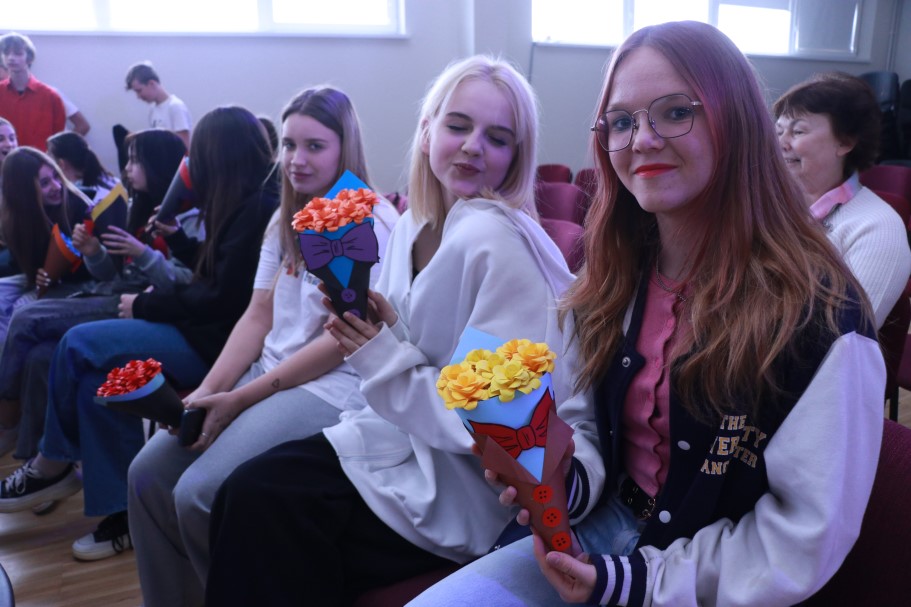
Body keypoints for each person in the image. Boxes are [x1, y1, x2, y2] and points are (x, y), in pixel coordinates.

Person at [407, 21, 885, 607]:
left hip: (712, 577)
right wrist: (560, 478)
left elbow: (800, 539)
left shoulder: (820, 314)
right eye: (622, 121)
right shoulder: (615, 274)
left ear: (736, 121)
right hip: (599, 534)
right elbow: (588, 423)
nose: (643, 140)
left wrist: (634, 582)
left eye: (676, 112)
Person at [204, 55, 600, 605]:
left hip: (463, 485)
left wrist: (381, 355)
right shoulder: (416, 224)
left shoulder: (495, 243)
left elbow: (497, 424)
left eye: (497, 138)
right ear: (428, 130)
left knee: (262, 505)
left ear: (516, 157)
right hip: (402, 443)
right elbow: (425, 350)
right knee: (244, 494)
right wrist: (384, 332)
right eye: (458, 126)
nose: (472, 147)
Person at [128, 85, 400, 607]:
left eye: (315, 146)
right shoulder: (284, 216)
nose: (296, 160)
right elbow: (258, 314)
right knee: (148, 475)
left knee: (200, 494)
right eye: (289, 144)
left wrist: (239, 399)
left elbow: (341, 342)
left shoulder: (365, 219)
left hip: (331, 387)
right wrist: (206, 392)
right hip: (270, 372)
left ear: (345, 148)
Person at [0, 106, 278, 563]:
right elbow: (214, 277)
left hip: (214, 346)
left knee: (76, 343)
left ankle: (52, 462)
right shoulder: (238, 203)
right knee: (98, 383)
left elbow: (220, 301)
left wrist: (144, 305)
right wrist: (181, 241)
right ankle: (121, 513)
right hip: (198, 329)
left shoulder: (258, 209)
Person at [0, 129, 189, 468]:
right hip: (111, 293)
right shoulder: (137, 208)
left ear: (156, 165)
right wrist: (93, 252)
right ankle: (35, 459)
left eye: (134, 161)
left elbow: (180, 282)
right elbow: (111, 274)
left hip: (138, 305)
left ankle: (7, 411)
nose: (125, 168)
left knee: (25, 317)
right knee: (40, 355)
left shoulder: (178, 216)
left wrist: (140, 253)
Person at [774, 72, 911, 329]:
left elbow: (841, 336)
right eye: (778, 131)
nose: (780, 143)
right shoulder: (768, 206)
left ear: (845, 142)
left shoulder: (878, 228)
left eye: (798, 131)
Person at [0, 33, 66, 150]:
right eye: (6, 53)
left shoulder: (51, 97)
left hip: (39, 159)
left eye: (18, 53)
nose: (11, 58)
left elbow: (58, 139)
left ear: (29, 58)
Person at [124, 61, 192, 147]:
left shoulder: (175, 107)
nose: (138, 96)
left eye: (139, 90)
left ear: (151, 83)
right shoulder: (153, 110)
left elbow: (185, 147)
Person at [46, 131, 118, 205]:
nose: (45, 156)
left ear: (61, 164)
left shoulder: (79, 198)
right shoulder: (111, 180)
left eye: (49, 155)